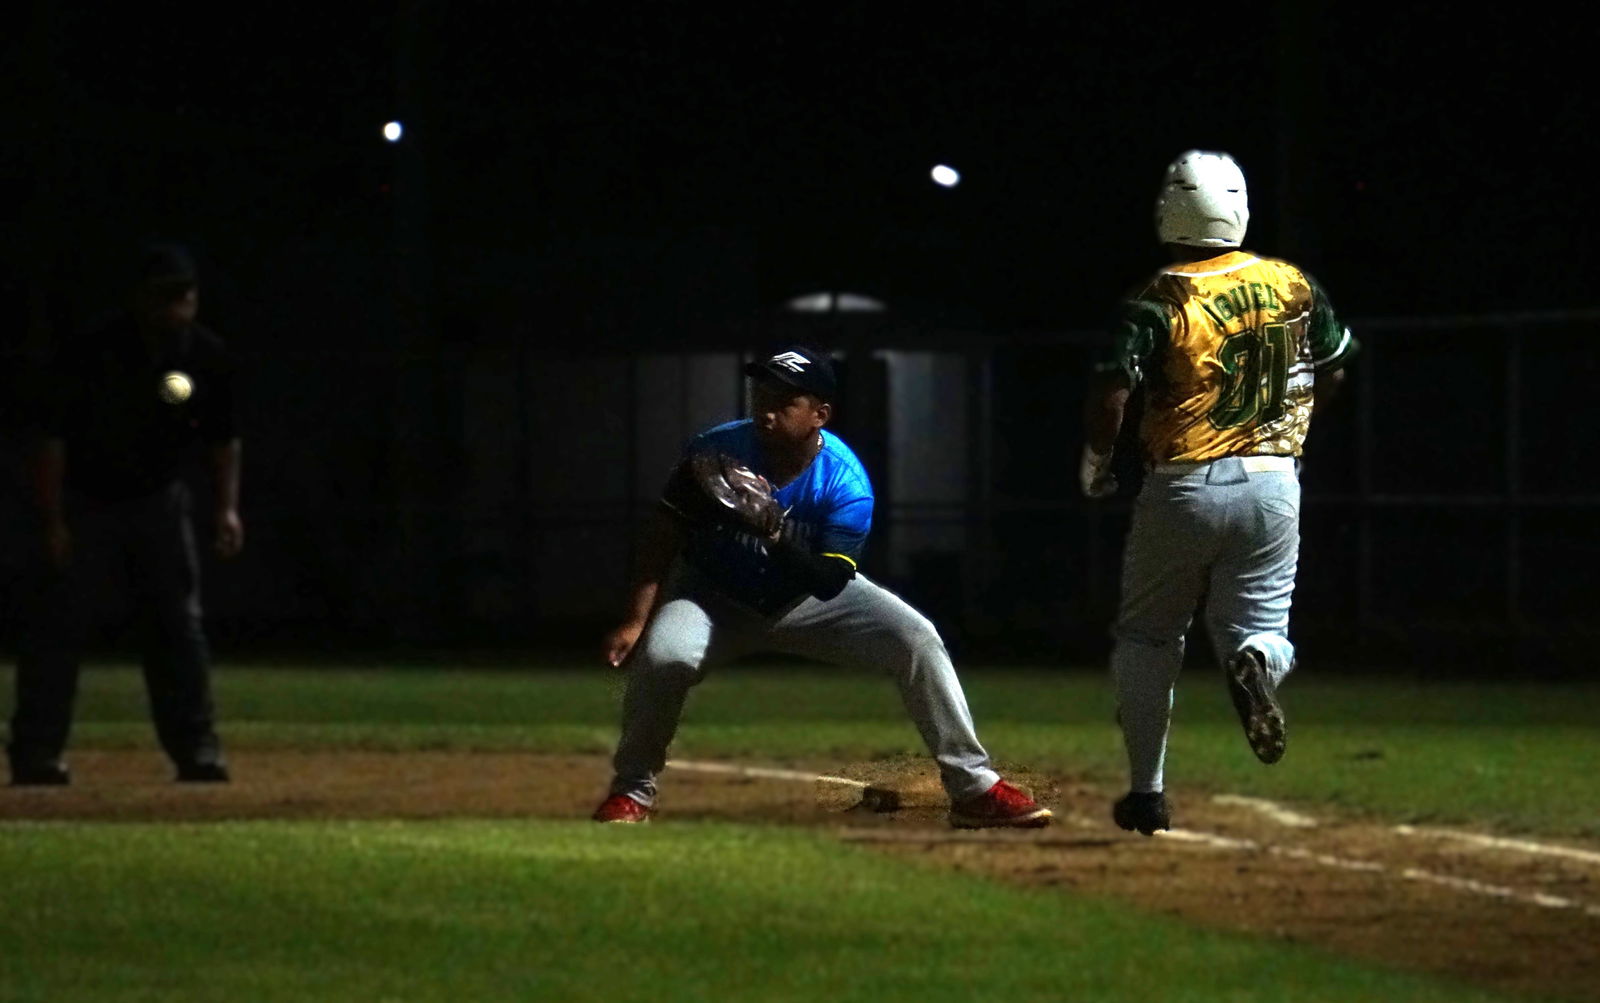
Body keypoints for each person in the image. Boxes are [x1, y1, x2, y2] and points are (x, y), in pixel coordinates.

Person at [592, 344, 1051, 828]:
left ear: (820, 415)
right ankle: (631, 794)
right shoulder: (714, 451)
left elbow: (831, 581)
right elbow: (663, 535)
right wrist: (635, 619)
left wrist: (773, 534)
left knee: (916, 638)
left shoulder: (846, 482)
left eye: (785, 401)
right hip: (712, 597)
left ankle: (973, 788)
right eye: (762, 395)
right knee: (665, 658)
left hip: (808, 600)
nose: (766, 410)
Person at [1080, 151, 1358, 835]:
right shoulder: (1292, 282)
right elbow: (1336, 368)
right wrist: (1292, 431)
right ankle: (1257, 661)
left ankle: (1148, 792)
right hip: (1274, 482)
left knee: (1148, 637)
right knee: (1264, 627)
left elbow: (1113, 391)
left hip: (1184, 483)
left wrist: (1096, 459)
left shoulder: (1159, 295)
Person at [7, 242, 244, 785]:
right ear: (140, 299)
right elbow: (52, 439)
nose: (176, 309)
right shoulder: (93, 353)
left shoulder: (204, 355)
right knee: (56, 627)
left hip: (158, 500)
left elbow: (223, 439)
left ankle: (196, 749)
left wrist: (228, 509)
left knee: (178, 629)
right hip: (87, 501)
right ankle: (36, 752)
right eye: (164, 298)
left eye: (184, 296)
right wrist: (52, 520)